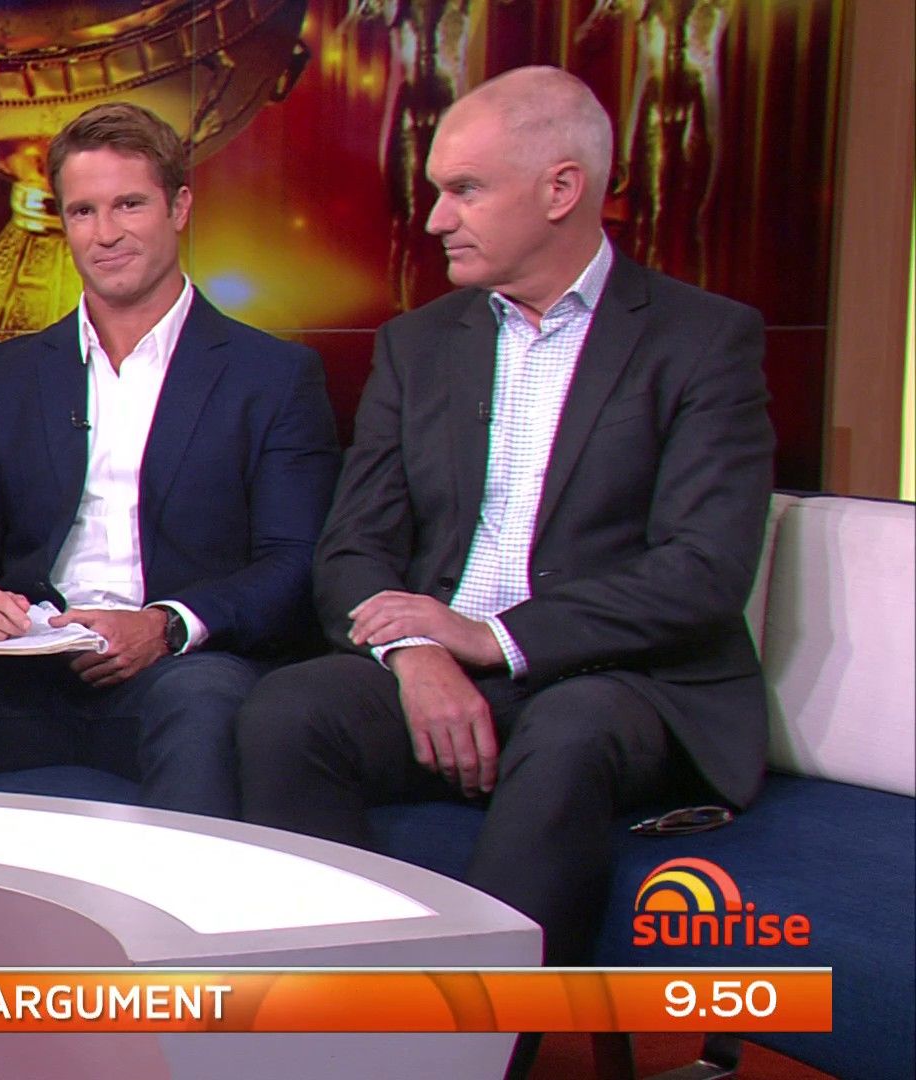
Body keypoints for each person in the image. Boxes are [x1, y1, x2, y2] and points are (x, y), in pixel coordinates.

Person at [235, 66, 773, 975]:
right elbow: (355, 545)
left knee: (571, 733)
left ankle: (483, 1035)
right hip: (447, 661)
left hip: (622, 681)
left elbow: (701, 571)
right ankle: (337, 1012)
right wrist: (418, 654)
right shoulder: (418, 344)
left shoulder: (701, 341)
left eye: (465, 190)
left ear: (561, 189)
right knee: (289, 711)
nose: (435, 219)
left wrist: (493, 639)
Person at [0, 103, 342, 818]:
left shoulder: (273, 376)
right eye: (82, 211)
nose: (105, 234)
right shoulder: (6, 376)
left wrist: (166, 624)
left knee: (204, 708)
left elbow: (294, 563)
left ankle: (170, 897)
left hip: (182, 666)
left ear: (179, 208)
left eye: (129, 205)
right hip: (28, 666)